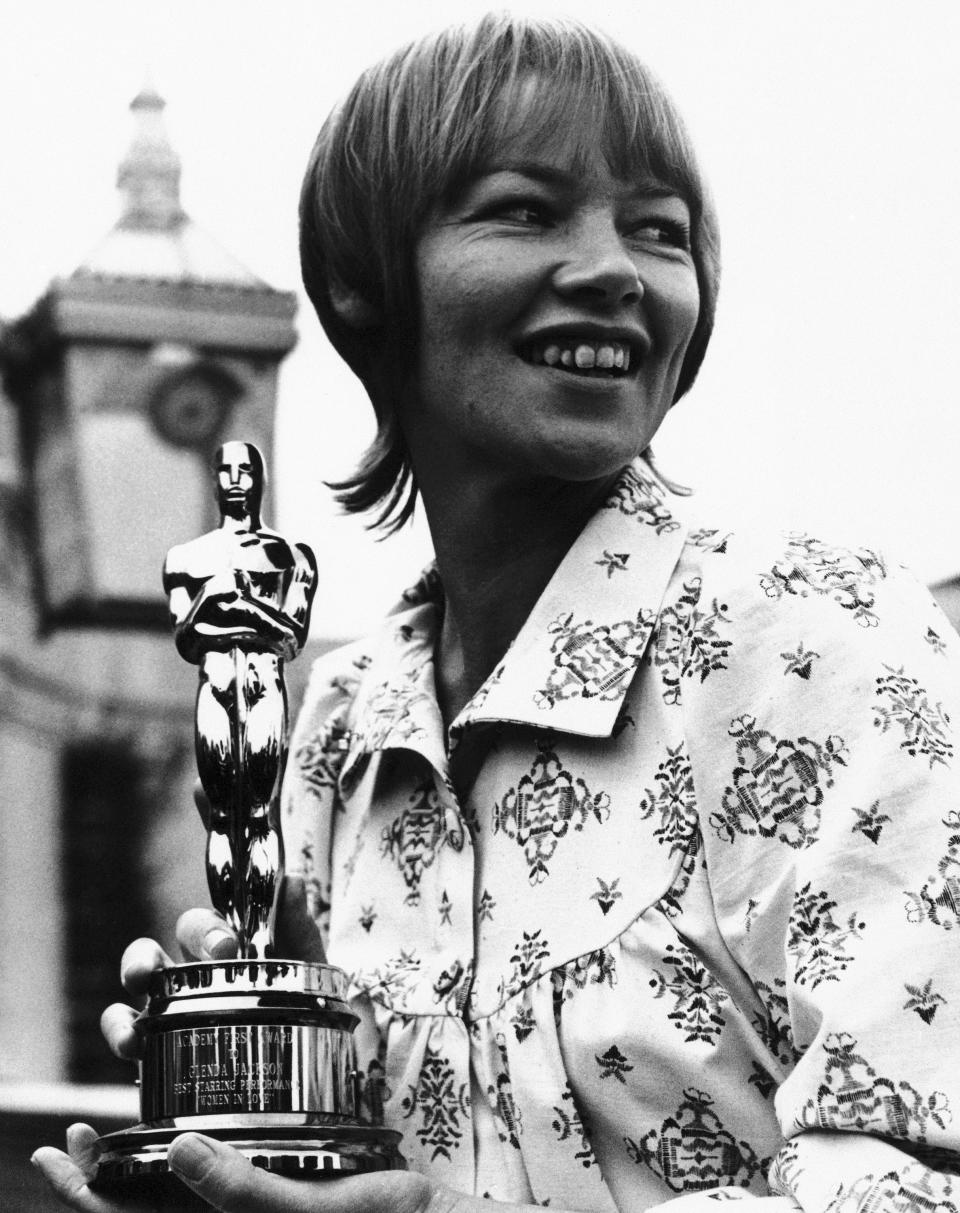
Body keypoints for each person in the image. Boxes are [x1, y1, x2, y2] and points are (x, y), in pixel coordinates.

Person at [34, 12, 960, 1213]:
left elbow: (918, 1178)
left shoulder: (816, 636)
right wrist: (288, 1124)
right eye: (525, 209)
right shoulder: (341, 725)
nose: (616, 268)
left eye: (659, 230)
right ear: (363, 286)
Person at [163, 440, 317, 957]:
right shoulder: (187, 558)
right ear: (213, 480)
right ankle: (231, 937)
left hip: (264, 683)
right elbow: (188, 635)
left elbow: (291, 635)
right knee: (224, 815)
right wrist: (238, 609)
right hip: (216, 684)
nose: (234, 478)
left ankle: (261, 941)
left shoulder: (291, 558)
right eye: (224, 469)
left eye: (245, 469)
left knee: (256, 811)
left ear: (261, 479)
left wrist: (234, 605)